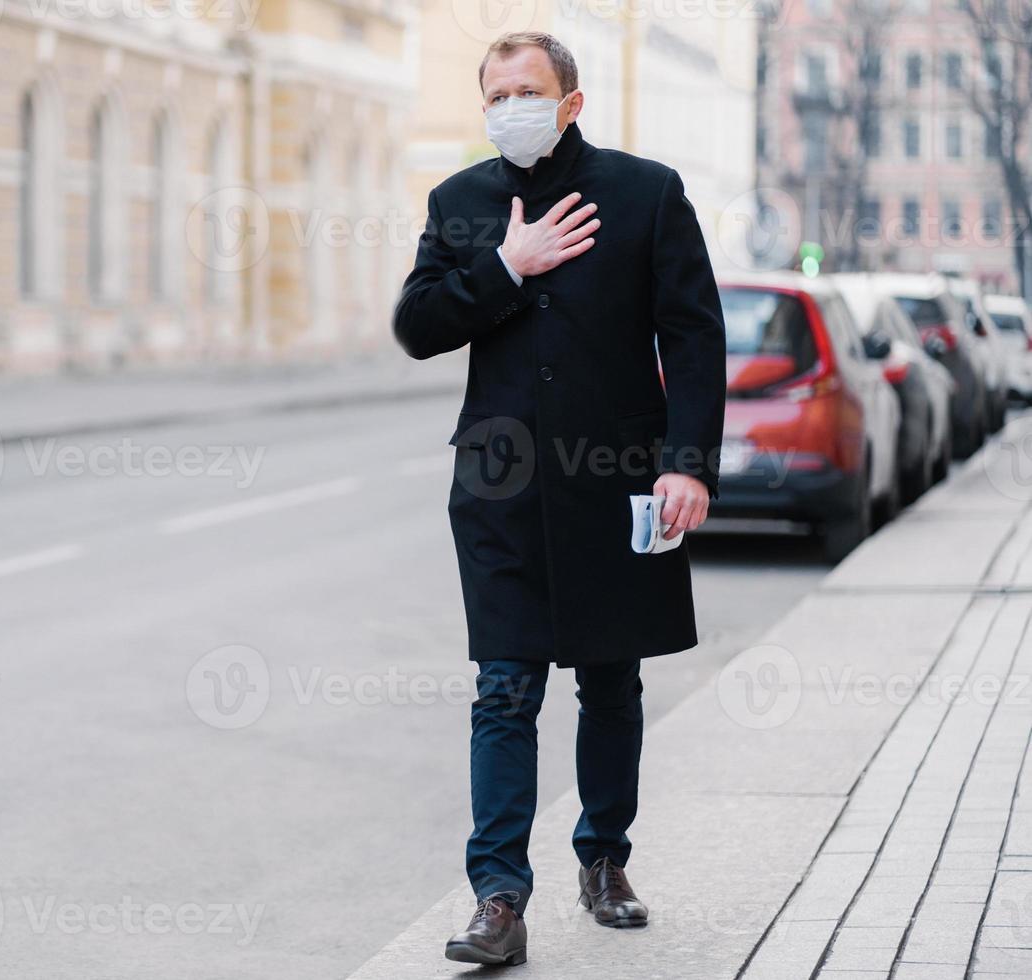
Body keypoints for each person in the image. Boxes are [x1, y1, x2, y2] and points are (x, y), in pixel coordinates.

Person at [392, 30, 726, 967]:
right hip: (498, 487)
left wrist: (687, 462)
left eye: (527, 91)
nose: (511, 110)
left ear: (570, 101)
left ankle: (604, 859)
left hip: (616, 482)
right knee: (505, 688)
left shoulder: (645, 193)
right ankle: (499, 895)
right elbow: (417, 326)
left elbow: (693, 337)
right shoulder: (460, 201)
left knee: (611, 682)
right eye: (496, 96)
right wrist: (508, 264)